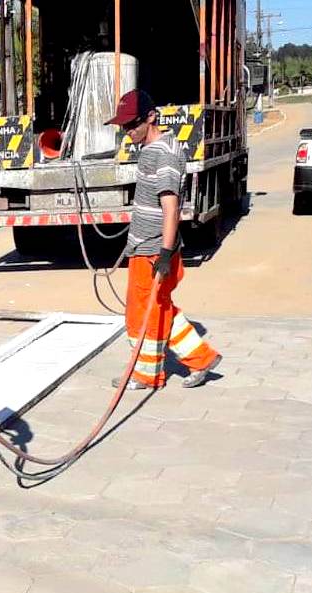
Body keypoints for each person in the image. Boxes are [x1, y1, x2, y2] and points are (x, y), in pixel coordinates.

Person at [107, 89, 222, 389]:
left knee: (141, 314)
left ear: (151, 117)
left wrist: (165, 254)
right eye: (123, 127)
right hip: (144, 247)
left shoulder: (165, 154)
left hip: (154, 251)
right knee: (160, 309)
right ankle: (202, 358)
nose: (127, 131)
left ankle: (146, 374)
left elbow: (171, 208)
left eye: (132, 124)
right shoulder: (152, 149)